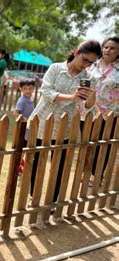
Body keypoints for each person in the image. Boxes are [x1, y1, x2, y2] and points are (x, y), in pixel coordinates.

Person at [29, 40, 100, 203]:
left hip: (65, 126)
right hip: (42, 121)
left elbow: (88, 107)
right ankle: (33, 195)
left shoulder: (89, 78)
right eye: (85, 59)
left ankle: (52, 200)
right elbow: (46, 92)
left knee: (59, 165)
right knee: (37, 160)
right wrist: (72, 97)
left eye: (91, 62)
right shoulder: (55, 68)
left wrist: (91, 96)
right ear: (76, 52)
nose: (87, 65)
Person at [88, 35, 118, 182]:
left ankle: (96, 175)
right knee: (89, 143)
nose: (108, 50)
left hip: (111, 114)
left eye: (112, 48)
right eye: (106, 47)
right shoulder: (92, 65)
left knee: (103, 145)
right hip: (88, 111)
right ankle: (86, 171)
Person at [13, 79, 36, 174]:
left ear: (33, 89)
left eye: (30, 89)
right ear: (21, 89)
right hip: (24, 129)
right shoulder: (22, 100)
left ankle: (21, 162)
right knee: (22, 147)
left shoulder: (29, 99)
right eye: (25, 89)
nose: (28, 91)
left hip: (29, 128)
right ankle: (18, 165)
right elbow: (15, 112)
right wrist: (23, 119)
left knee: (26, 146)